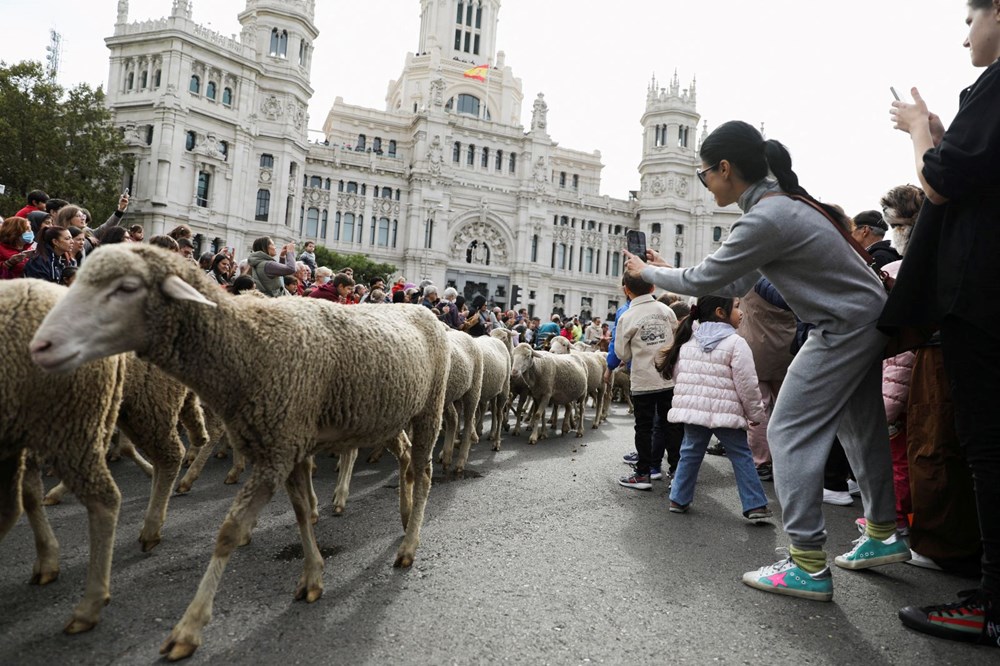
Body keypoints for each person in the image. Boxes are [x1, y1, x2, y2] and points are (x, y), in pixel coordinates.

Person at [624, 119, 905, 602]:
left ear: (726, 169)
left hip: (841, 327)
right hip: (862, 321)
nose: (705, 182)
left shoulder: (767, 217)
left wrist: (647, 271)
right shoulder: (782, 207)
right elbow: (732, 283)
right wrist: (667, 269)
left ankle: (808, 563)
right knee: (860, 428)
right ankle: (882, 532)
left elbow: (709, 276)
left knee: (787, 431)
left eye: (704, 173)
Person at [887, 0, 1000, 647]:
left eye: (970, 19)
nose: (965, 38)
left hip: (980, 296)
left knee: (987, 450)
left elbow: (938, 181)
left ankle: (994, 606)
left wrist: (918, 132)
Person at [657, 295, 772, 521]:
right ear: (721, 312)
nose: (741, 313)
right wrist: (756, 414)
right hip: (726, 413)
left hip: (694, 411)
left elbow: (680, 377)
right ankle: (754, 504)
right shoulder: (737, 343)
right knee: (741, 455)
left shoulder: (689, 341)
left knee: (689, 453)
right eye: (737, 308)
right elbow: (747, 384)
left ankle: (678, 498)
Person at [615, 273, 681, 490]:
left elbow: (622, 354)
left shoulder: (627, 316)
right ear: (653, 286)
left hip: (643, 380)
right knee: (670, 425)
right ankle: (676, 472)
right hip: (666, 378)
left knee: (643, 427)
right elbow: (676, 341)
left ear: (626, 289)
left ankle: (643, 473)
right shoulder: (667, 311)